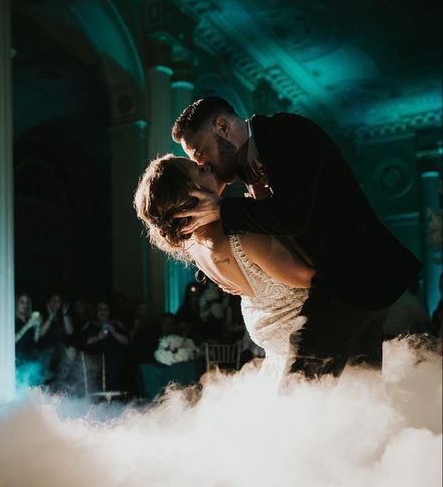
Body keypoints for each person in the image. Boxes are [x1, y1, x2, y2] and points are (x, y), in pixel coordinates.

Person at [169, 96, 423, 377]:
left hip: (353, 279)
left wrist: (223, 210)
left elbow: (291, 217)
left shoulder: (287, 132)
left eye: (200, 152)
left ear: (222, 126)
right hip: (351, 284)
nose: (203, 163)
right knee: (360, 388)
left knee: (299, 387)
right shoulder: (246, 166)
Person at [134, 155, 315, 380]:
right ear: (191, 195)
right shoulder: (241, 236)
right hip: (307, 345)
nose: (207, 165)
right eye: (200, 170)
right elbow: (308, 276)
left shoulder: (195, 246)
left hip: (278, 348)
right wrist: (266, 212)